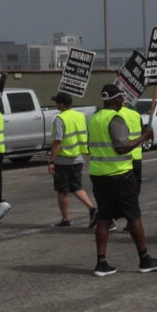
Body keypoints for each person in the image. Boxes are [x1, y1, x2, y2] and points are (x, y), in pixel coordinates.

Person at [87, 84, 157, 277]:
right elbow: (122, 147)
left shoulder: (95, 119)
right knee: (133, 215)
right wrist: (143, 136)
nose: (123, 101)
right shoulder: (116, 119)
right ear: (115, 99)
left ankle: (101, 263)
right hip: (119, 174)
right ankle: (144, 259)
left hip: (98, 174)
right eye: (121, 98)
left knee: (104, 217)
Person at [47, 92, 95, 227]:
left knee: (62, 190)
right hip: (78, 157)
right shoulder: (80, 116)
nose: (56, 104)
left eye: (57, 102)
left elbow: (57, 141)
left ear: (61, 104)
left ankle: (65, 219)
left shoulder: (60, 119)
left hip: (63, 160)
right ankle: (92, 209)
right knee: (77, 187)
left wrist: (51, 161)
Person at [119, 100, 145, 193]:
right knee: (135, 189)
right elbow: (142, 132)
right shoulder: (136, 114)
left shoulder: (115, 114)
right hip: (136, 157)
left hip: (122, 160)